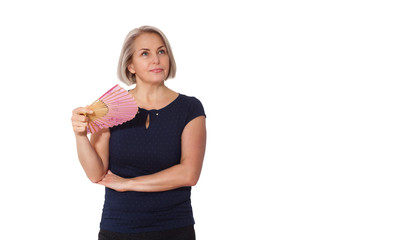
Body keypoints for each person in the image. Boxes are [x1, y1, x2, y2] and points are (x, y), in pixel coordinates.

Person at [71, 26, 206, 240]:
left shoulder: (190, 108)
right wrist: (80, 136)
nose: (156, 59)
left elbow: (189, 173)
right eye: (145, 53)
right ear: (130, 65)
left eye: (161, 52)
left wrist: (128, 184)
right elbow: (96, 174)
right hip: (118, 229)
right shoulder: (110, 107)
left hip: (174, 228)